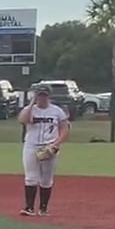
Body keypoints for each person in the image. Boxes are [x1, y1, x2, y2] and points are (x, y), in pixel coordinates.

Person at [18, 87, 70, 217]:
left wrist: (56, 144)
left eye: (44, 95)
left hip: (50, 146)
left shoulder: (57, 111)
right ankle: (29, 208)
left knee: (46, 179)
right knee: (30, 177)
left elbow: (64, 129)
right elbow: (22, 120)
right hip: (31, 146)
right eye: (39, 95)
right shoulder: (30, 110)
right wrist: (31, 103)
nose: (42, 98)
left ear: (49, 96)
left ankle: (43, 209)